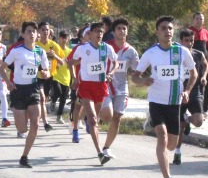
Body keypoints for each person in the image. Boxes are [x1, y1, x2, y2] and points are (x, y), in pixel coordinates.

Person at [131, 16, 197, 178]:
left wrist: (187, 91)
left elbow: (194, 73)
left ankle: (151, 122)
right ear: (157, 32)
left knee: (172, 145)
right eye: (163, 28)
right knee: (162, 136)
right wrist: (144, 81)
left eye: (170, 28)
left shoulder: (182, 51)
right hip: (156, 101)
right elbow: (135, 76)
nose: (167, 31)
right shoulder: (150, 53)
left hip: (174, 103)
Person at [1, 21, 50, 168]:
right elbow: (2, 68)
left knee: (35, 124)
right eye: (28, 31)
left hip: (33, 89)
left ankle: (24, 156)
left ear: (37, 34)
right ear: (23, 34)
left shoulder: (40, 52)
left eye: (34, 31)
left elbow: (47, 71)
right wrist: (8, 84)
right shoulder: (16, 51)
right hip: (18, 91)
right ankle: (21, 120)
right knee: (22, 129)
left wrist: (45, 73)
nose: (32, 34)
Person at [69, 22, 118, 164]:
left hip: (101, 86)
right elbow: (71, 62)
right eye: (96, 31)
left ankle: (88, 125)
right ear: (90, 34)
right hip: (86, 86)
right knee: (93, 120)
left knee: (94, 119)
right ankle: (100, 153)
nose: (99, 34)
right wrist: (74, 78)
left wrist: (111, 73)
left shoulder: (107, 48)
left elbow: (116, 62)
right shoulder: (82, 48)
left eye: (101, 32)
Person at [99, 17, 140, 157]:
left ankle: (106, 147)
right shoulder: (105, 47)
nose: (122, 31)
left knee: (117, 118)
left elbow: (137, 68)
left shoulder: (131, 51)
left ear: (127, 32)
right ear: (114, 31)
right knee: (106, 116)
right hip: (105, 86)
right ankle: (96, 112)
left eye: (124, 28)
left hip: (122, 87)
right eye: (119, 28)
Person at [174, 29, 208, 164]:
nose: (189, 43)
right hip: (180, 93)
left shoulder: (198, 54)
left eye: (191, 41)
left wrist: (204, 76)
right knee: (180, 127)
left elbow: (206, 65)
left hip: (195, 93)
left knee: (199, 121)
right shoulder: (176, 54)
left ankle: (187, 119)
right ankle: (177, 152)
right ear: (181, 41)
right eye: (186, 41)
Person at [35, 22, 59, 131]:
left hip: (49, 76)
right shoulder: (35, 45)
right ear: (39, 31)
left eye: (47, 30)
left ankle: (43, 120)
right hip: (37, 76)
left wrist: (55, 56)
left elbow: (63, 62)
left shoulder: (54, 45)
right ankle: (45, 123)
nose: (46, 32)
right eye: (43, 29)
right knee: (42, 98)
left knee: (43, 100)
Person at [50, 30, 72, 125]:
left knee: (63, 98)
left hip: (66, 77)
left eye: (65, 38)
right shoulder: (55, 49)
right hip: (56, 75)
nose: (63, 40)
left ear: (68, 39)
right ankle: (53, 101)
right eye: (62, 37)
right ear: (59, 38)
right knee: (58, 91)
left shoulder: (70, 51)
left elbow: (70, 64)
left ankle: (59, 116)